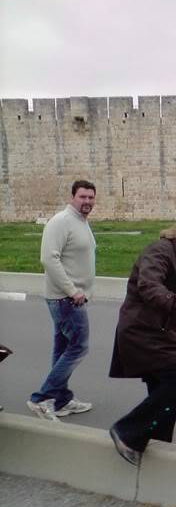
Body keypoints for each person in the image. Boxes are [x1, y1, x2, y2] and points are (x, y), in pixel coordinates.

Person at [108, 207, 176, 466]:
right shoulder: (158, 251)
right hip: (142, 331)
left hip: (160, 331)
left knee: (164, 389)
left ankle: (156, 445)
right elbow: (149, 287)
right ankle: (127, 431)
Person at [27, 180, 97, 422]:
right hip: (66, 299)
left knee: (63, 348)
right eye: (82, 197)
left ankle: (61, 400)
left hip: (72, 297)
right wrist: (72, 290)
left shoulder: (80, 222)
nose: (87, 201)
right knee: (78, 347)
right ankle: (41, 398)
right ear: (72, 197)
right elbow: (48, 259)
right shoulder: (61, 222)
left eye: (90, 197)